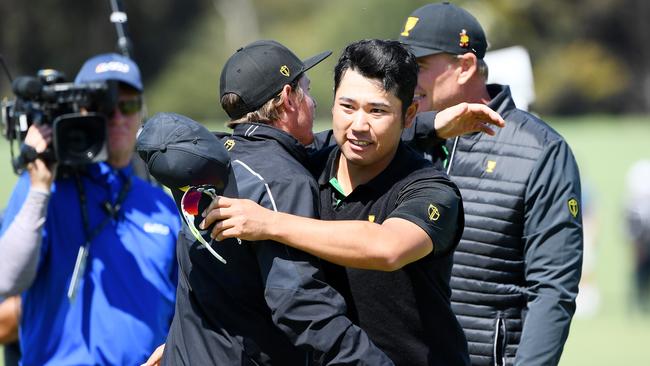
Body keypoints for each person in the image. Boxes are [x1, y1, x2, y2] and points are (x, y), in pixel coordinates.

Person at [203, 39, 474, 366]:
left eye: (378, 111)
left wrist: (270, 223)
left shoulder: (430, 189)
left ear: (409, 115)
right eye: (348, 107)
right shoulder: (305, 167)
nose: (358, 125)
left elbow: (388, 248)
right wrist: (198, 339)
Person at [140, 40, 394, 365]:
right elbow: (298, 303)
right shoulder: (283, 179)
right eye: (307, 90)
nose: (314, 103)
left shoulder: (212, 163)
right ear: (288, 98)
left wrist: (421, 126)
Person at [397, 3, 583, 365]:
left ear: (465, 67)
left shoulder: (541, 151)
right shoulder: (398, 140)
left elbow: (552, 290)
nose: (405, 79)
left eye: (418, 67)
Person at [0, 53, 180, 365]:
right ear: (80, 112)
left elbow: (186, 306)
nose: (117, 117)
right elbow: (6, 278)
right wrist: (40, 185)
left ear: (141, 112)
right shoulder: (46, 187)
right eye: (103, 107)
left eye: (127, 105)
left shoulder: (160, 205)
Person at [624, 160, 650, 312]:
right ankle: (638, 304)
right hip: (641, 245)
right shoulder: (633, 204)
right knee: (640, 274)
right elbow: (631, 229)